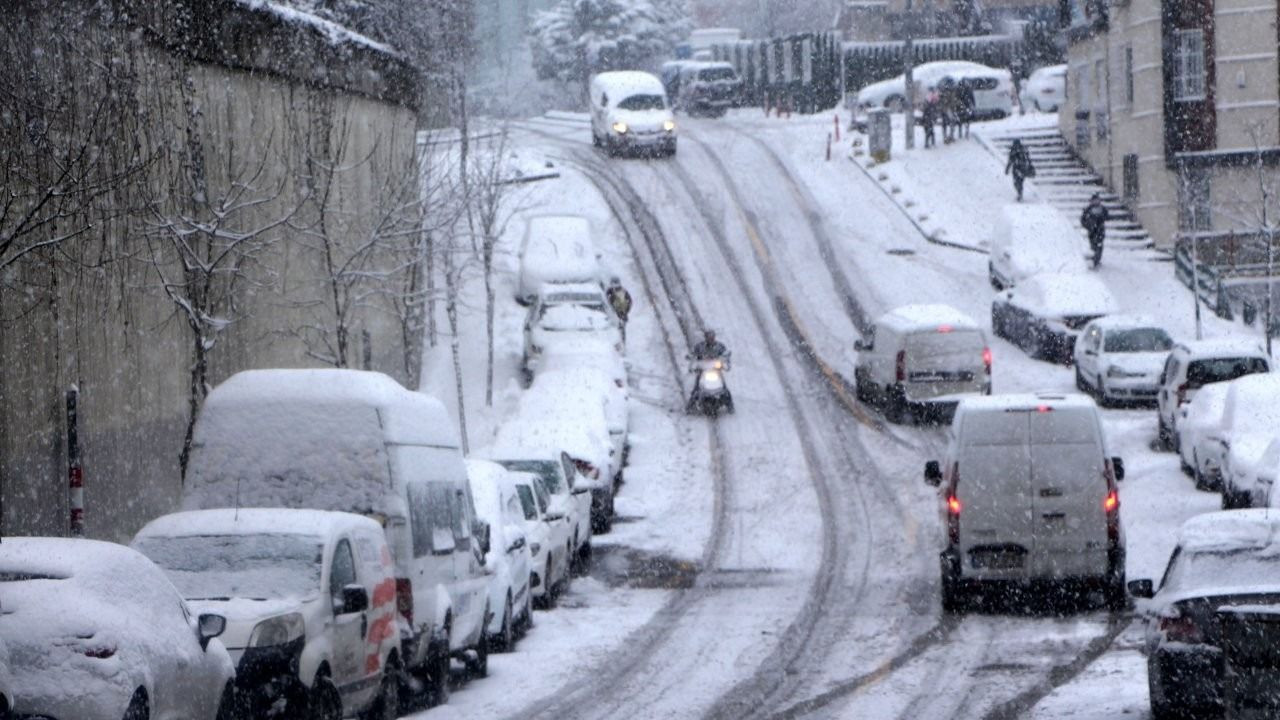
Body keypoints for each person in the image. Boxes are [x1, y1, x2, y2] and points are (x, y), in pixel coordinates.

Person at [1080, 194, 1110, 268]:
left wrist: (1101, 219)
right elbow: (1083, 219)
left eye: (1097, 200)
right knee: (1093, 246)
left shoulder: (1102, 209)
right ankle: (1094, 259)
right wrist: (1088, 225)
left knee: (1099, 246)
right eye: (1094, 200)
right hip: (1092, 231)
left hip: (1100, 230)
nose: (1096, 202)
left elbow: (1107, 216)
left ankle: (1097, 259)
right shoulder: (1088, 209)